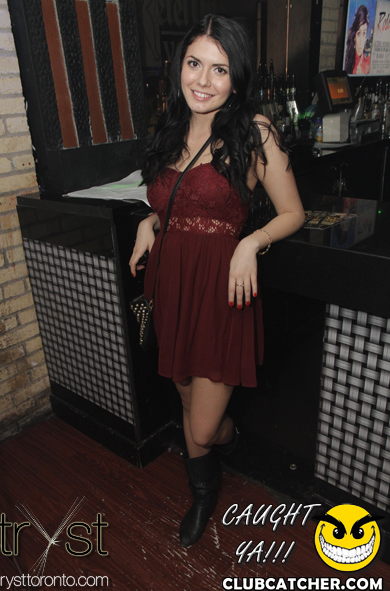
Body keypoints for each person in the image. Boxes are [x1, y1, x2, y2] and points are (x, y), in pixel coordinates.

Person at [129, 14, 305, 548]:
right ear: (178, 66)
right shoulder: (170, 128)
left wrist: (251, 242)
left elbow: (293, 212)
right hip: (172, 287)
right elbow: (175, 201)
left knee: (203, 426)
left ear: (237, 76)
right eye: (194, 63)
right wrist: (149, 221)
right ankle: (203, 491)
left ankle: (222, 443)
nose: (203, 80)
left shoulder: (254, 132)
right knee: (185, 401)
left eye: (219, 69)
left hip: (221, 293)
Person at [344, 5, 371, 75]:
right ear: (354, 37)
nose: (361, 41)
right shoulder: (346, 61)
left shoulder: (368, 64)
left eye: (364, 33)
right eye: (359, 33)